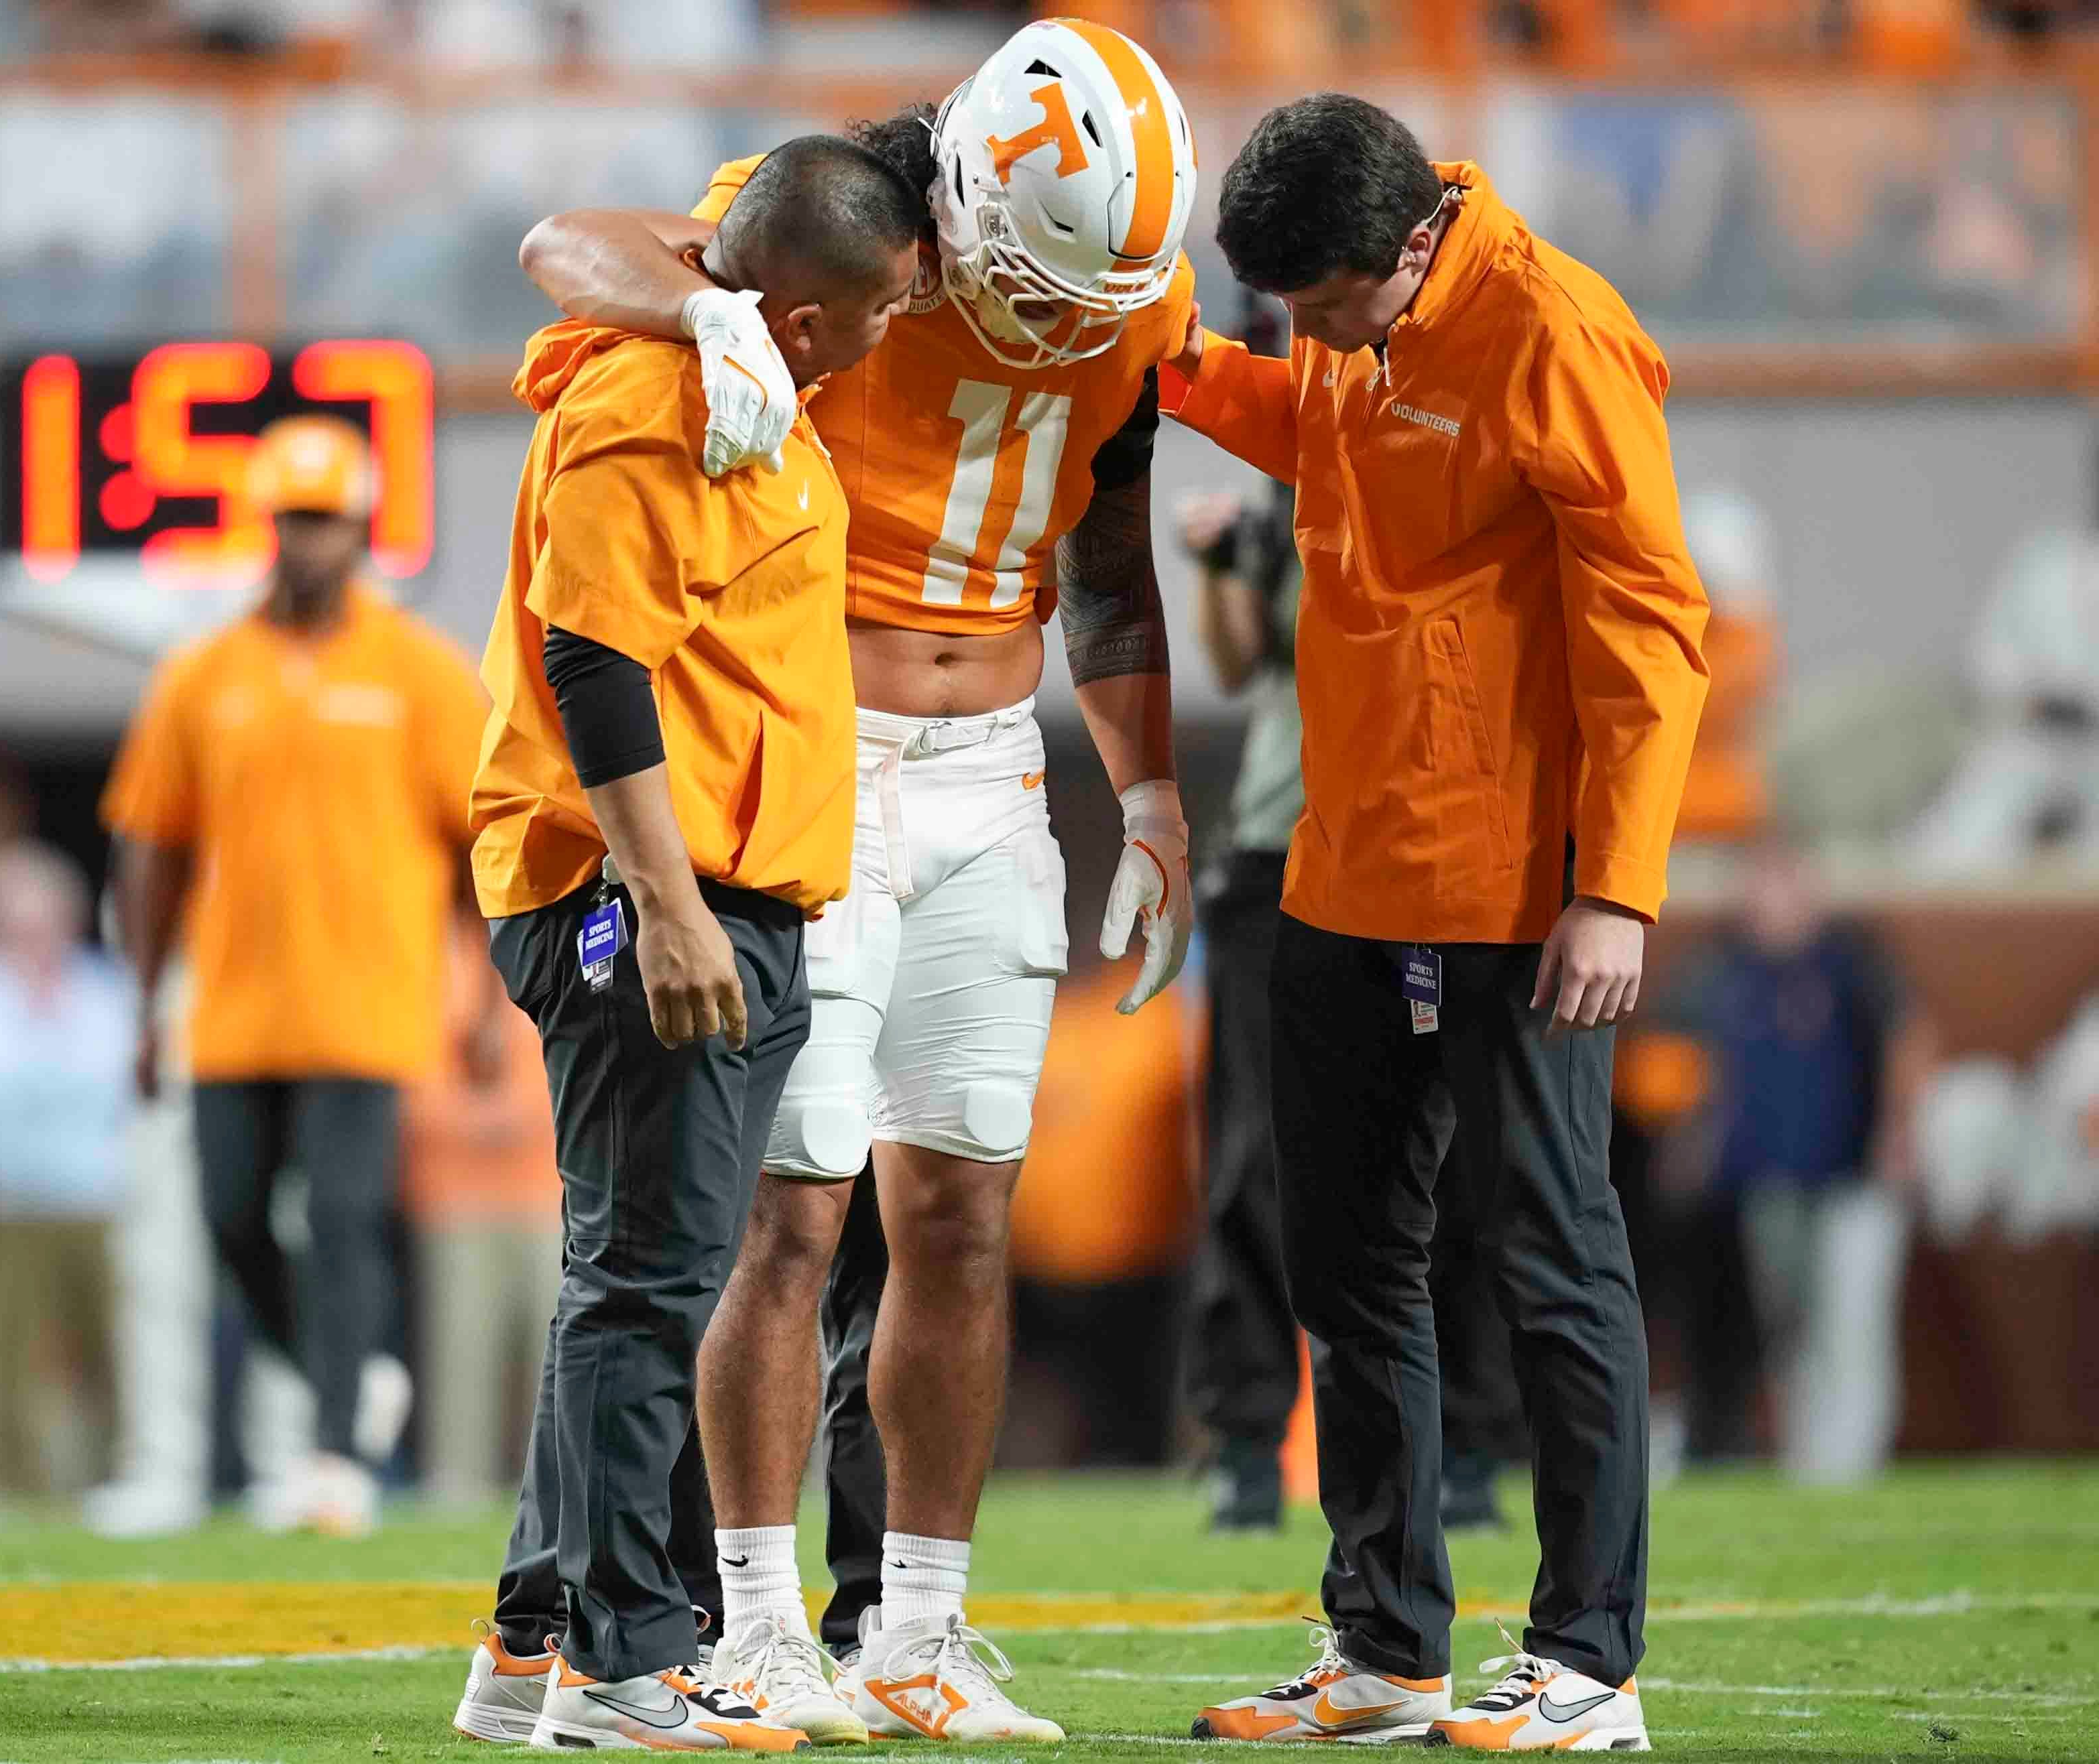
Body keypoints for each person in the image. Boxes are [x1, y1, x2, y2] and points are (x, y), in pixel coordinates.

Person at [516, 19, 1198, 1739]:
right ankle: (747, 1623)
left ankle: (913, 1630)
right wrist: (706, 314)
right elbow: (566, 245)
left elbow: (1108, 559)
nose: (1064, 325)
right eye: (1034, 278)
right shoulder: (830, 220)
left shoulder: (1125, 298)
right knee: (788, 1211)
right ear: (962, 197)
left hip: (999, 772)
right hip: (821, 764)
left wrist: (1153, 796)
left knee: (962, 1211)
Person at [1162, 95, 1708, 1750]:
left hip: (1520, 881)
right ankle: (1388, 1648)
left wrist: (1613, 886)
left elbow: (1652, 619)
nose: (1306, 338)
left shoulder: (1555, 331)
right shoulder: (1366, 307)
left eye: (1319, 307)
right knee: (1343, 1266)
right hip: (1346, 867)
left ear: (1407, 246)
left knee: (1550, 1262)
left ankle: (1588, 1668)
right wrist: (1179, 368)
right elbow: (1331, 435)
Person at [449, 133, 921, 1753]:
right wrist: (660, 905)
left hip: (730, 886)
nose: (889, 337)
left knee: (638, 1276)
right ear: (798, 319)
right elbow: (596, 665)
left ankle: (533, 1640)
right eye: (873, 314)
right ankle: (624, 1668)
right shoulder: (656, 408)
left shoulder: (742, 364)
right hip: (646, 889)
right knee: (647, 1287)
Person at [103, 415, 489, 1539]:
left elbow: (478, 844)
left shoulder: (419, 670)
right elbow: (153, 844)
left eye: (325, 520)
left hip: (368, 1002)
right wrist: (142, 999)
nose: (307, 541)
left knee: (341, 1217)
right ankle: (348, 1377)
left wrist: (477, 994)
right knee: (229, 1220)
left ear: (360, 526)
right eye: (291, 519)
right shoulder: (202, 673)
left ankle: (331, 1456)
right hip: (229, 1003)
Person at [1174, 371, 1523, 1535]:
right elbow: (1235, 666)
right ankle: (1243, 1434)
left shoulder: (1454, 465)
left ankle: (1467, 1435)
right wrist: (1222, 563)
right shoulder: (1290, 489)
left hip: (1420, 856)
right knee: (1251, 1150)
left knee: (1449, 1147)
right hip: (1281, 853)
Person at [1671, 836, 1928, 1487]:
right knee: (1788, 1324)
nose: (1769, 900)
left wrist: (1898, 1130)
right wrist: (1696, 1133)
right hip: (1767, 1181)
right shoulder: (1723, 970)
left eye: (1782, 882)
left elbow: (1910, 1035)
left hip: (1853, 1178)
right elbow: (1684, 1056)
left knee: (1852, 1319)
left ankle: (1852, 1462)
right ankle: (1807, 1461)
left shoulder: (1851, 961)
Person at [0, 840, 134, 1501]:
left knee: (107, 1355)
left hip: (97, 1200)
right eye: (16, 925)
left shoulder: (108, 992)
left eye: (43, 923)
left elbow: (123, 1092)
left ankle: (111, 1478)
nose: (32, 939)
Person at [398, 928, 560, 1506]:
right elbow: (409, 1087)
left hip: (547, 1201)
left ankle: (547, 1499)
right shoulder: (435, 960)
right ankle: (456, 1489)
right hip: (454, 1204)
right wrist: (503, 1125)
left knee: (550, 1367)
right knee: (462, 1364)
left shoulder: (549, 948)